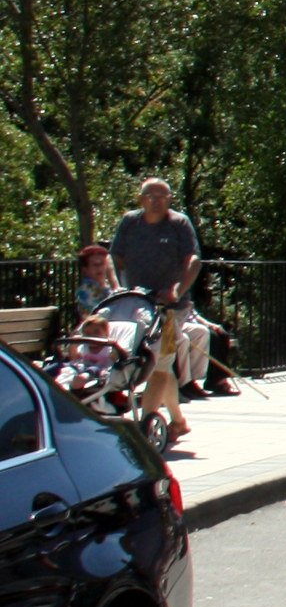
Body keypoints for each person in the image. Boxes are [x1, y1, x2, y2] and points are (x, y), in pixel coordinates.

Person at [111, 178, 202, 443]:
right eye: (150, 195)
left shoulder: (179, 224)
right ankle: (178, 421)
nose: (156, 200)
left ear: (170, 199)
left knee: (161, 362)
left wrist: (177, 289)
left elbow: (193, 260)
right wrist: (117, 286)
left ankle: (145, 421)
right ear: (141, 199)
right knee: (162, 363)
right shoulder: (130, 222)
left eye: (162, 196)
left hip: (170, 308)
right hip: (137, 303)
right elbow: (114, 256)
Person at [73, 244, 119, 315]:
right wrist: (113, 279)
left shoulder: (106, 287)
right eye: (95, 265)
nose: (99, 268)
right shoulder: (86, 291)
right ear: (85, 269)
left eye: (102, 263)